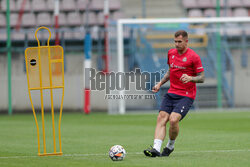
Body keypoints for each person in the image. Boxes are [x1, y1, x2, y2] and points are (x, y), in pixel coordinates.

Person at [144, 30, 205, 157]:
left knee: (173, 120)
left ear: (186, 41)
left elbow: (202, 77)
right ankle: (156, 148)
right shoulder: (171, 53)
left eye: (179, 42)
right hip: (172, 92)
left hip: (186, 95)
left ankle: (170, 146)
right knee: (161, 117)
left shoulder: (194, 57)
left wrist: (191, 78)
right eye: (175, 41)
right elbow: (170, 71)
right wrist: (160, 83)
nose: (176, 44)